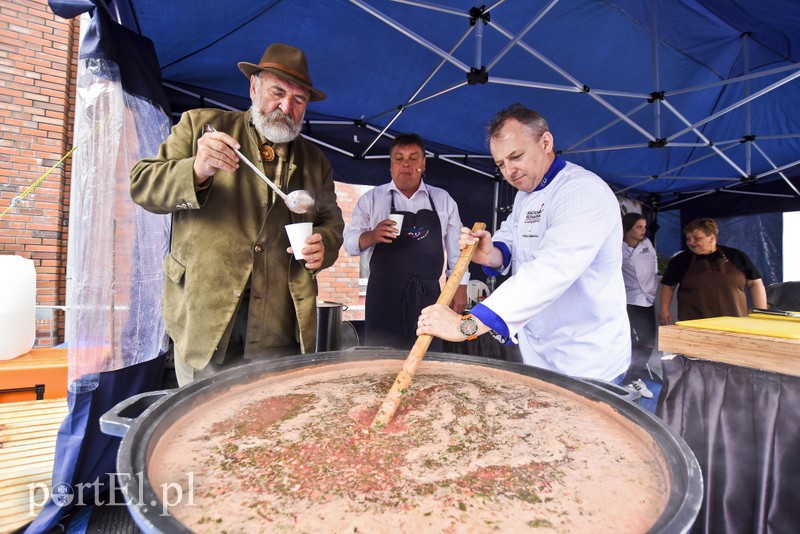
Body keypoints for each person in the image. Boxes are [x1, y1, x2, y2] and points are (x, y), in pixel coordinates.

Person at [130, 43, 344, 386]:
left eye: (298, 100)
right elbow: (142, 186)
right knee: (204, 427)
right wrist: (196, 170)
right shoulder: (202, 127)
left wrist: (326, 245)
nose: (286, 107)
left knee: (274, 423)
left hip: (279, 328)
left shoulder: (316, 162)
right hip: (206, 317)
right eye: (277, 92)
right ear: (253, 87)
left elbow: (331, 221)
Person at [417, 104, 630, 382]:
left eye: (516, 156)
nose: (509, 171)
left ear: (545, 142)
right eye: (501, 164)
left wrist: (467, 325)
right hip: (539, 356)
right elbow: (512, 244)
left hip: (586, 361)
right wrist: (489, 252)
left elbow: (549, 271)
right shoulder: (525, 195)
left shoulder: (583, 193)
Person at [343, 133, 469, 349]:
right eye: (399, 158)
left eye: (413, 158)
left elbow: (458, 249)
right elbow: (350, 243)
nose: (406, 164)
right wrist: (371, 235)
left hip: (428, 296)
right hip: (383, 296)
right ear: (391, 165)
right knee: (381, 361)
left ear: (423, 164)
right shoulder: (372, 199)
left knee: (428, 361)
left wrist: (460, 286)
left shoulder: (442, 199)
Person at [659, 218, 766, 324]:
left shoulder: (736, 256)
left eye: (696, 238)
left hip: (734, 323)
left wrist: (761, 313)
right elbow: (668, 285)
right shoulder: (680, 260)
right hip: (693, 323)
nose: (691, 243)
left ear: (711, 238)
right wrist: (664, 309)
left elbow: (755, 283)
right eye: (688, 239)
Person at [620, 212, 658, 399]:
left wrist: (652, 287)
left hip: (647, 299)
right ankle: (629, 378)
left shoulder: (647, 244)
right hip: (627, 299)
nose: (643, 230)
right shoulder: (618, 247)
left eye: (644, 227)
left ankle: (633, 375)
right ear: (628, 228)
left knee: (648, 341)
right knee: (628, 339)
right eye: (638, 227)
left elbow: (654, 264)